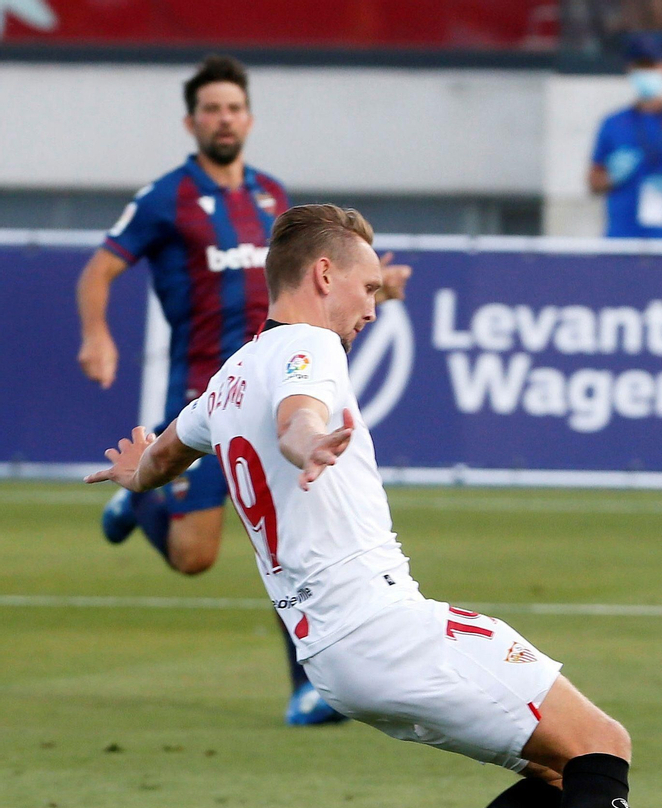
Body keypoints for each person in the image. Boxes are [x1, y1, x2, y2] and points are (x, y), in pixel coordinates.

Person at [84, 204, 662, 808]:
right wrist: (305, 442)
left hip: (334, 651)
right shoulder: (306, 349)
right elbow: (299, 415)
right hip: (382, 626)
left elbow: (163, 456)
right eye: (366, 287)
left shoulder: (229, 377)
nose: (371, 306)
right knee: (604, 743)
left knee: (559, 771)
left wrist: (132, 474)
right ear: (322, 275)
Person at [76, 54, 411, 727]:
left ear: (248, 118)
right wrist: (97, 334)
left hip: (275, 375)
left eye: (233, 108)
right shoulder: (164, 197)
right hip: (207, 387)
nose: (223, 119)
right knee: (195, 557)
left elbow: (310, 276)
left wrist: (373, 285)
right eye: (211, 109)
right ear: (192, 120)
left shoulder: (271, 197)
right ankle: (135, 505)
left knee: (293, 525)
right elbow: (98, 271)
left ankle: (308, 686)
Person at [588, 33, 662, 240]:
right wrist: (611, 177)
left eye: (652, 67)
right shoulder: (613, 124)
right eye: (641, 67)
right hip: (621, 239)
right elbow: (594, 182)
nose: (647, 73)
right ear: (630, 70)